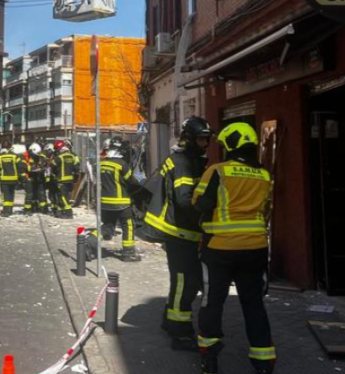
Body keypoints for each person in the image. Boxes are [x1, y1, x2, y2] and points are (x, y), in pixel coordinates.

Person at [192, 122, 275, 374]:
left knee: (212, 302)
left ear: (230, 145)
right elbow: (266, 209)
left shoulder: (218, 171)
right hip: (256, 248)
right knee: (253, 303)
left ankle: (209, 356)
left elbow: (200, 203)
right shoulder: (264, 175)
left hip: (220, 248)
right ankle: (263, 360)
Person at [144, 116, 213, 350]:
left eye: (207, 139)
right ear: (190, 138)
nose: (205, 144)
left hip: (183, 232)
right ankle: (180, 333)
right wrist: (209, 207)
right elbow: (185, 200)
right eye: (201, 139)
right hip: (180, 232)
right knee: (184, 283)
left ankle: (168, 320)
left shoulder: (186, 158)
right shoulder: (184, 162)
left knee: (185, 282)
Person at [99, 136, 141, 262]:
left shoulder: (102, 163)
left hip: (105, 202)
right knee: (128, 225)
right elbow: (132, 182)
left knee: (107, 227)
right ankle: (128, 253)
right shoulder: (121, 164)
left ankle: (88, 243)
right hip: (121, 202)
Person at [0, 140, 26, 217]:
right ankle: (10, 210)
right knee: (11, 194)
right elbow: (21, 167)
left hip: (4, 180)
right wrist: (21, 178)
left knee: (5, 196)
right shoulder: (15, 156)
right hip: (13, 179)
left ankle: (6, 211)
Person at [53, 140, 80, 219]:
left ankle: (68, 212)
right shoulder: (72, 156)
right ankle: (60, 211)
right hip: (70, 180)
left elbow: (52, 165)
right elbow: (76, 168)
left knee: (63, 196)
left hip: (61, 180)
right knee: (65, 195)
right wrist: (75, 179)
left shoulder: (59, 157)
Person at [26, 142, 48, 215]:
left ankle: (43, 208)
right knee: (30, 194)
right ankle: (29, 209)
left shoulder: (41, 157)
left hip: (40, 178)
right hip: (30, 178)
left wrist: (42, 168)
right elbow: (24, 166)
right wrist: (31, 169)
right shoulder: (27, 157)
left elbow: (44, 165)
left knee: (41, 194)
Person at [44, 142, 59, 214]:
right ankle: (53, 208)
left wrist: (49, 162)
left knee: (55, 194)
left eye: (47, 151)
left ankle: (56, 209)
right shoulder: (50, 157)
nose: (47, 152)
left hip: (55, 178)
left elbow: (54, 166)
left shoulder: (55, 156)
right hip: (50, 178)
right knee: (51, 194)